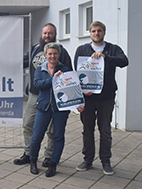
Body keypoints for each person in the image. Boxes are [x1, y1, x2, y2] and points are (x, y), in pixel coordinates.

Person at [14, 23, 72, 167]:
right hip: (35, 95)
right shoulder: (34, 49)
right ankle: (28, 153)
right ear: (41, 34)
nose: (47, 36)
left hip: (54, 97)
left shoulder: (61, 52)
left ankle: (49, 156)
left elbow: (70, 75)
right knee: (28, 124)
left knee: (52, 130)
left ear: (55, 35)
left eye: (50, 33)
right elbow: (22, 61)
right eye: (45, 33)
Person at [74, 21, 128, 175]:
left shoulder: (113, 49)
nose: (96, 33)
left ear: (104, 32)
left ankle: (106, 161)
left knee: (105, 130)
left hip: (106, 97)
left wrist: (106, 57)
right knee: (87, 130)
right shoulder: (82, 49)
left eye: (99, 31)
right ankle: (88, 160)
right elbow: (78, 72)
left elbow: (124, 62)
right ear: (89, 33)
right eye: (93, 31)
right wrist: (83, 91)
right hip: (88, 98)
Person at [29, 43, 71, 177]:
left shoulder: (65, 69)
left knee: (58, 136)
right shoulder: (40, 70)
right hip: (43, 107)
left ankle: (53, 164)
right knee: (37, 136)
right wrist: (53, 79)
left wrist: (78, 104)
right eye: (50, 53)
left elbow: (71, 88)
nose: (52, 56)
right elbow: (37, 84)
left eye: (55, 53)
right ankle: (33, 161)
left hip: (60, 109)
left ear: (59, 55)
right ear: (45, 55)